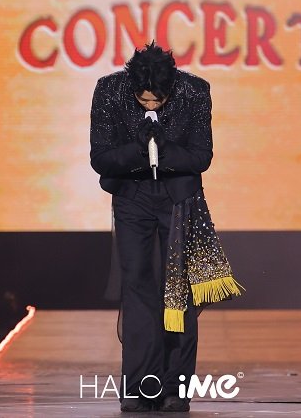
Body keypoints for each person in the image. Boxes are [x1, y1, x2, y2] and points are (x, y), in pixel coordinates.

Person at [89, 41, 242, 413]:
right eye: (143, 100)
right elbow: (101, 158)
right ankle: (140, 388)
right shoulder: (109, 90)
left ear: (171, 87)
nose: (151, 106)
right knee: (137, 287)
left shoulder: (195, 91)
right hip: (132, 198)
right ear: (131, 86)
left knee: (178, 293)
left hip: (178, 199)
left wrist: (164, 148)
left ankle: (175, 389)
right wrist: (139, 149)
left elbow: (201, 156)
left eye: (158, 100)